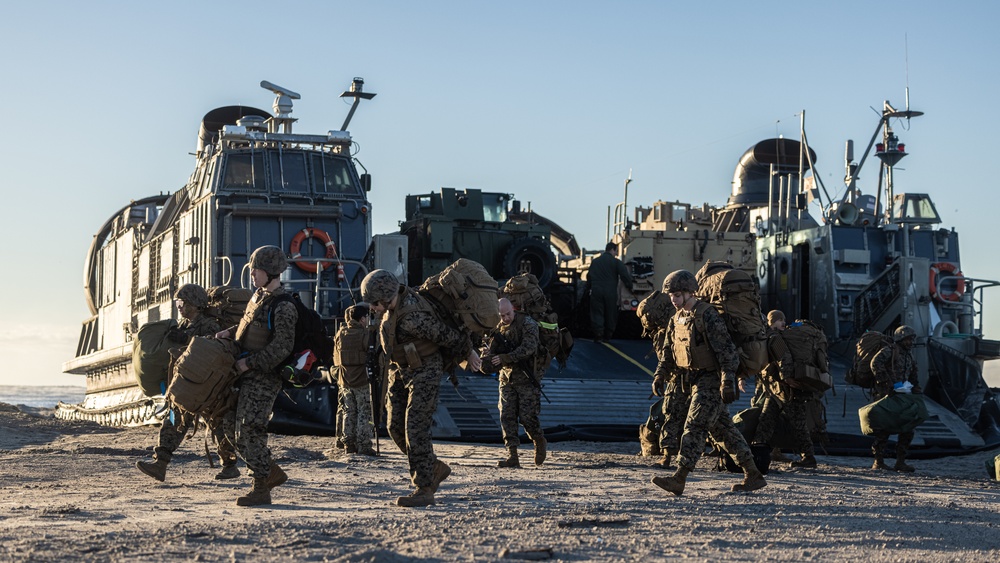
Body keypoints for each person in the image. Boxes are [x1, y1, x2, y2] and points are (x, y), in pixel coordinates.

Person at [361, 269, 482, 507]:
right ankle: (432, 467)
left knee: (415, 427)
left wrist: (468, 351)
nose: (372, 308)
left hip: (425, 369)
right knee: (394, 427)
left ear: (385, 298)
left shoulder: (413, 317)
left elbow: (448, 335)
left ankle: (424, 487)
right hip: (401, 369)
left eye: (374, 303)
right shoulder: (392, 308)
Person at [649, 270, 766, 496]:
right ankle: (753, 474)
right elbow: (668, 353)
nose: (672, 299)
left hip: (711, 380)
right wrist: (660, 375)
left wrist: (727, 380)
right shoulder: (676, 319)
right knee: (724, 431)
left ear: (689, 292)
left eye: (677, 294)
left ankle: (679, 478)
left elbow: (727, 351)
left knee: (695, 425)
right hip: (691, 380)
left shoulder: (707, 315)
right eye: (670, 295)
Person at [216, 246, 296, 507]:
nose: (251, 273)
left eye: (256, 269)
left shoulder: (284, 305)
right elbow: (250, 326)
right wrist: (231, 332)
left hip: (263, 377)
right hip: (246, 374)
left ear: (271, 272)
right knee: (229, 425)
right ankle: (269, 472)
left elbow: (282, 347)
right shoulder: (258, 297)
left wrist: (249, 364)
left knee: (249, 431)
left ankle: (261, 486)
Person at [135, 284, 237, 482]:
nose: (179, 307)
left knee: (217, 424)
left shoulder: (210, 324)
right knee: (175, 421)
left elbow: (210, 347)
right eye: (178, 303)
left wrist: (187, 338)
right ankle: (160, 462)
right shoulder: (183, 325)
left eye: (183, 303)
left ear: (196, 304)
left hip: (204, 384)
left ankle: (230, 464)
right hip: (185, 382)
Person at [483, 298, 547, 468]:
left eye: (508, 314)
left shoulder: (528, 323)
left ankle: (539, 440)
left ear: (514, 309)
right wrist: (488, 355)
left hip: (526, 378)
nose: (505, 318)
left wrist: (505, 357)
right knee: (506, 415)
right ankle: (512, 455)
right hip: (507, 377)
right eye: (502, 315)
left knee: (527, 417)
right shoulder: (498, 328)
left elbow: (529, 348)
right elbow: (492, 353)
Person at [751, 310, 818, 468]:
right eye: (779, 320)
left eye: (783, 319)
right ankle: (759, 452)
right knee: (766, 420)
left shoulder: (774, 337)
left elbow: (785, 357)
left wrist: (787, 377)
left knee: (798, 424)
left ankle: (808, 457)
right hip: (777, 390)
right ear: (771, 322)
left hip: (788, 390)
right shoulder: (769, 336)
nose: (782, 322)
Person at [870, 325, 922, 472]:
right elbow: (875, 363)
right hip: (886, 395)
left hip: (903, 395)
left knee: (908, 428)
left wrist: (917, 390)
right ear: (900, 339)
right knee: (883, 430)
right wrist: (886, 383)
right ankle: (878, 461)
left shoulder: (909, 356)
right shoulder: (889, 351)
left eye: (912, 339)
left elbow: (913, 374)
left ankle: (900, 461)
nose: (911, 342)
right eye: (908, 339)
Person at [334, 303, 377, 456]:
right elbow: (373, 354)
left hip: (345, 379)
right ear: (361, 319)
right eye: (366, 317)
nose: (367, 320)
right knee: (364, 412)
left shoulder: (340, 334)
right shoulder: (364, 334)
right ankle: (364, 444)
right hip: (362, 380)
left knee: (348, 411)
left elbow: (336, 358)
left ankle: (348, 443)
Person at [587, 242, 633, 342]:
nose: (616, 253)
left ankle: (598, 334)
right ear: (612, 249)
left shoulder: (595, 262)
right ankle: (607, 335)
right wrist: (630, 286)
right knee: (610, 313)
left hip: (596, 291)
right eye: (616, 251)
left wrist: (588, 288)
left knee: (597, 313)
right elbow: (624, 275)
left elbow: (589, 276)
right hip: (610, 292)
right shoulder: (616, 262)